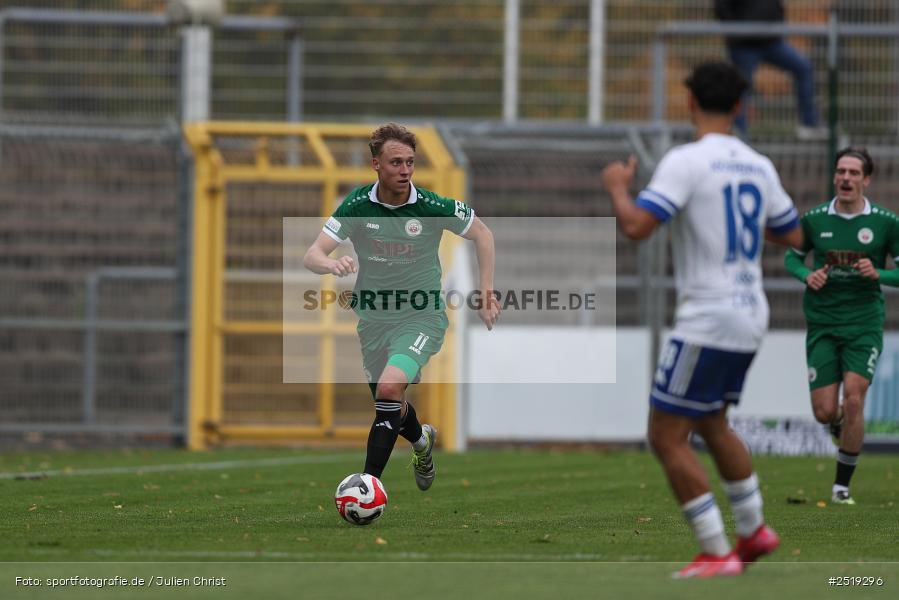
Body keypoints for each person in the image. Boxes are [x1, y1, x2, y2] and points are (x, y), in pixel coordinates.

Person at [601, 61, 803, 578]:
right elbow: (792, 232)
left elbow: (638, 227)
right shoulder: (758, 164)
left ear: (690, 101)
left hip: (708, 314)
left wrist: (619, 187)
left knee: (666, 434)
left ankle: (716, 552)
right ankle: (755, 529)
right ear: (741, 106)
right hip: (749, 311)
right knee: (711, 421)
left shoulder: (687, 160)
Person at [304, 122, 500, 491]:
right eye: (396, 162)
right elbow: (312, 254)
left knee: (390, 389)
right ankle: (422, 441)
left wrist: (486, 290)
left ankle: (367, 487)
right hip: (374, 321)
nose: (405, 170)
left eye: (410, 162)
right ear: (376, 163)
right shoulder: (358, 205)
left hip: (421, 315)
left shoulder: (430, 205)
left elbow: (482, 234)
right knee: (389, 401)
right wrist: (331, 264)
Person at [784, 147, 899, 505]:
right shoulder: (815, 219)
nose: (845, 178)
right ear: (834, 177)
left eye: (853, 172)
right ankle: (834, 425)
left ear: (867, 180)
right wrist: (807, 275)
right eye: (841, 172)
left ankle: (840, 487)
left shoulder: (886, 223)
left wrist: (878, 273)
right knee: (823, 412)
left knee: (853, 399)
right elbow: (792, 256)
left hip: (863, 324)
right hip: (822, 323)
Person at [714, 0, 827, 140]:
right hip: (744, 46)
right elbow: (721, 8)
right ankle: (739, 134)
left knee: (803, 67)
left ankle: (809, 124)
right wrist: (736, 33)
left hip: (771, 41)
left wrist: (778, 22)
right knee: (741, 87)